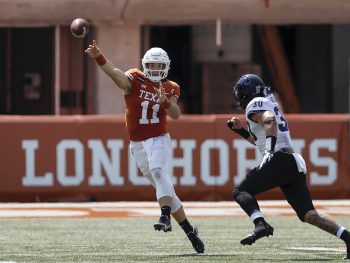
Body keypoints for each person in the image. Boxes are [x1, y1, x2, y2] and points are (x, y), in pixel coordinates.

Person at [85, 40, 204, 254]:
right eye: (152, 65)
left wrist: (165, 102)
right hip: (138, 143)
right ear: (144, 65)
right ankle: (189, 231)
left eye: (159, 66)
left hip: (158, 138)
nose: (155, 70)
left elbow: (176, 114)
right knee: (164, 187)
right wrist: (98, 57)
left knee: (159, 171)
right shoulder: (136, 79)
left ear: (166, 67)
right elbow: (116, 74)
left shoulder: (170, 87)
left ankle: (164, 216)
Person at [227, 73, 350, 260]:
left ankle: (260, 224)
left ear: (246, 93)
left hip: (280, 159)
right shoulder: (267, 102)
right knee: (309, 214)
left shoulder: (256, 104)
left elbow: (269, 120)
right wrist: (241, 132)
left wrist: (269, 150)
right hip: (291, 162)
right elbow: (260, 139)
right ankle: (347, 237)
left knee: (240, 191)